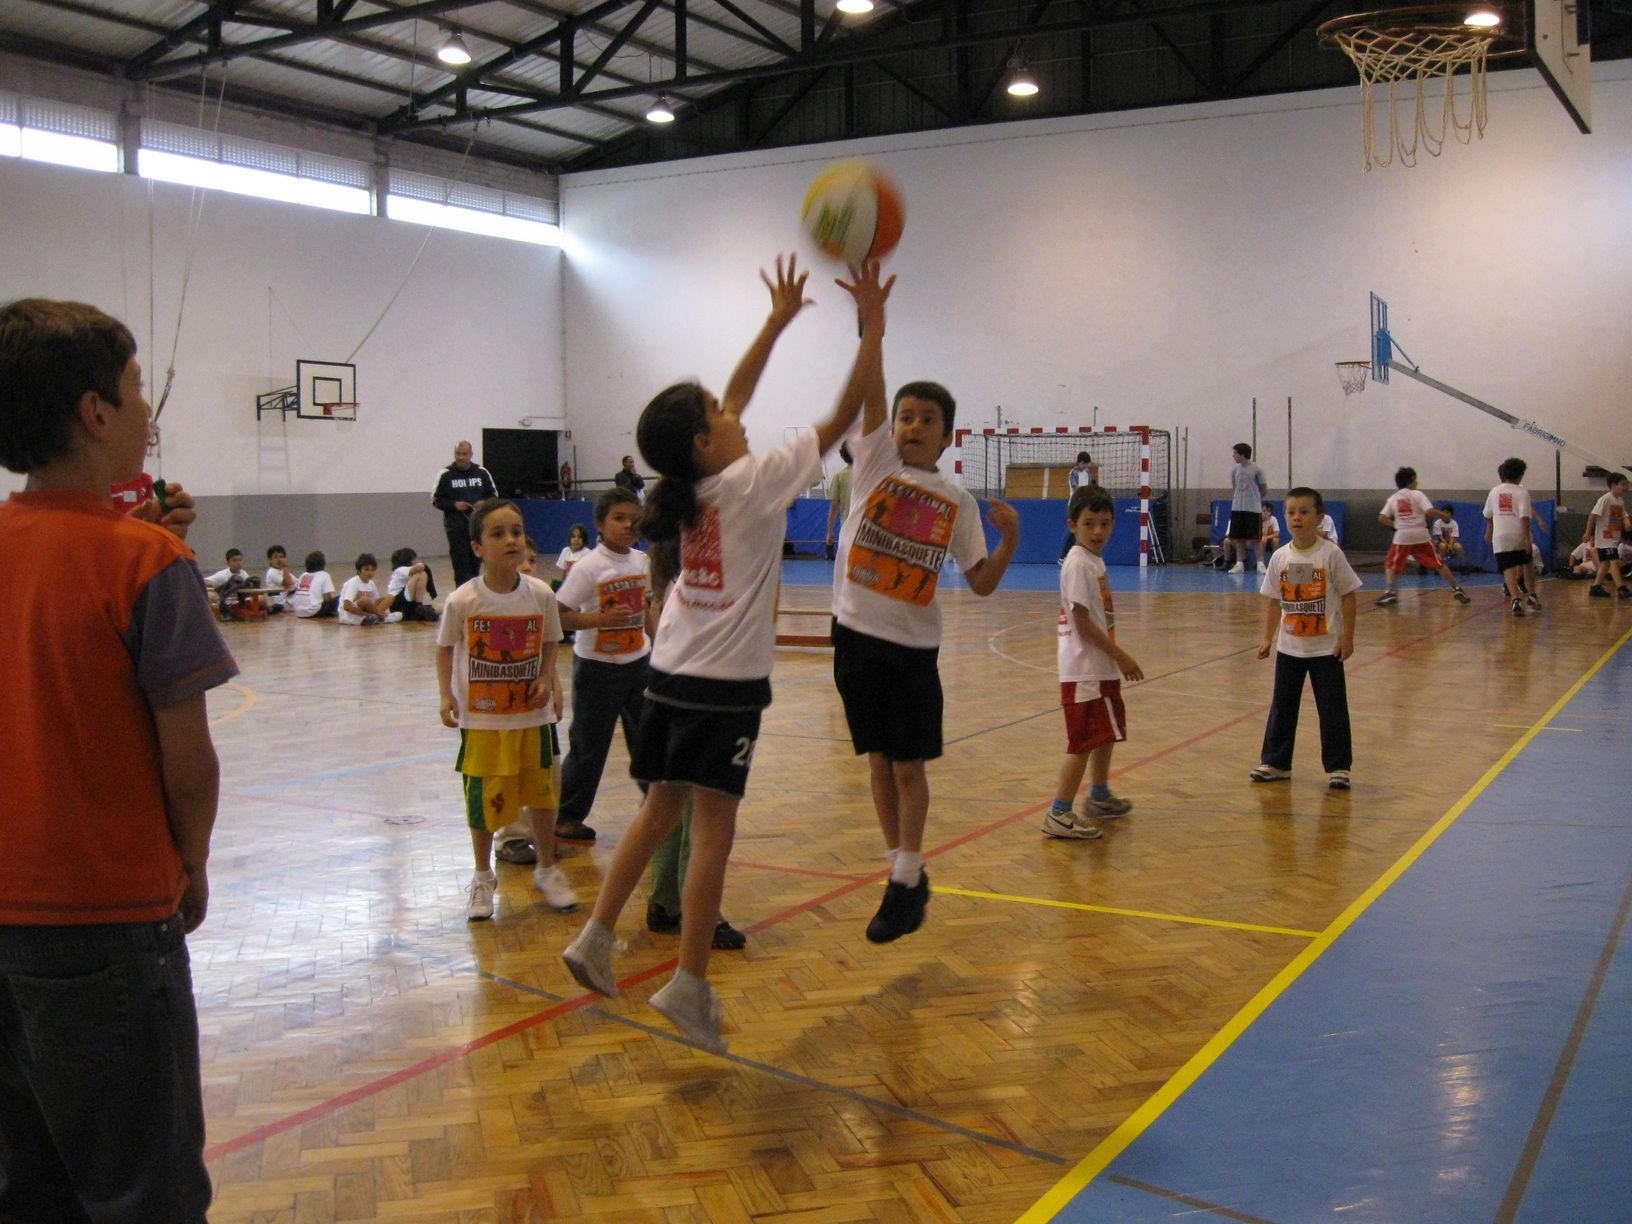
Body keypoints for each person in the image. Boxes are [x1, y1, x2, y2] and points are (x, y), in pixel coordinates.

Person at [561, 254, 891, 1054]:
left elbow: (734, 398)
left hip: (668, 670)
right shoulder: (756, 481)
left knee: (659, 809)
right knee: (713, 830)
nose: (732, 408)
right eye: (715, 410)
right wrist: (873, 326)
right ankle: (689, 983)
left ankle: (595, 938)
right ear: (705, 441)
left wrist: (775, 324)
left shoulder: (694, 484)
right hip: (724, 687)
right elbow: (846, 412)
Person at [0, 296, 237, 1221]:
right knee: (147, 1191)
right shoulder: (146, 566)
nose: (149, 409)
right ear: (95, 412)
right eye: (137, 388)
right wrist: (194, 860)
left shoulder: (136, 550)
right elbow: (189, 762)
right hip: (105, 916)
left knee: (30, 1185)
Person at [830, 331, 1020, 944]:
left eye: (927, 419)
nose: (913, 426)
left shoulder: (957, 502)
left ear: (948, 436)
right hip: (854, 639)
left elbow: (981, 583)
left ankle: (908, 872)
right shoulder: (874, 467)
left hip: (912, 651)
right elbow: (872, 391)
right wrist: (873, 330)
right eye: (905, 417)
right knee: (878, 762)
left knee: (907, 767)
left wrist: (1011, 541)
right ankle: (902, 875)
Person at [436, 498, 576, 919]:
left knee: (542, 795)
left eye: (516, 531)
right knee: (483, 800)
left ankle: (547, 869)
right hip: (483, 720)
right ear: (477, 547)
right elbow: (444, 648)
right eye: (498, 534)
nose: (511, 540)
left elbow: (550, 641)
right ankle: (483, 876)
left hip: (531, 717)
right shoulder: (463, 599)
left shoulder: (540, 594)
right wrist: (446, 694)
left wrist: (546, 677)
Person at [640, 536, 748, 950]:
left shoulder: (668, 575)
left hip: (666, 692)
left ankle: (664, 900)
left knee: (670, 804)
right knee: (702, 812)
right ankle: (697, 910)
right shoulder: (697, 579)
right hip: (697, 697)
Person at [552, 489, 653, 843]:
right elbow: (559, 615)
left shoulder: (642, 561)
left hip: (638, 663)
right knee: (589, 744)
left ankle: (657, 806)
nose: (628, 525)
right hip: (597, 668)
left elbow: (647, 609)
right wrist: (600, 619)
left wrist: (657, 648)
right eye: (619, 518)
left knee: (648, 738)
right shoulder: (589, 567)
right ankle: (566, 816)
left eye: (634, 519)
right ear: (599, 524)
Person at [1046, 484, 1144, 840]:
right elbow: (1082, 622)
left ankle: (1099, 795)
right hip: (1084, 669)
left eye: (1104, 523)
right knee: (1083, 742)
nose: (1098, 531)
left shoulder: (1093, 561)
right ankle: (1059, 812)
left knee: (1104, 734)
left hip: (1098, 667)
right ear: (1073, 525)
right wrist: (1121, 656)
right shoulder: (1077, 563)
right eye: (1089, 524)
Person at [1251, 486, 1362, 790]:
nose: (1296, 518)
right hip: (1290, 649)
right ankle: (1276, 762)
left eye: (1304, 512)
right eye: (1291, 512)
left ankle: (1339, 767)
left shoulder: (1331, 554)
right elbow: (1274, 601)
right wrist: (1267, 638)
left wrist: (1347, 638)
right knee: (1282, 706)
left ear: (1319, 517)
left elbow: (1349, 596)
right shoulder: (1280, 557)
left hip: (1326, 650)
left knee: (1332, 708)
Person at [1375, 467, 1471, 607]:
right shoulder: (1418, 495)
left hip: (1402, 536)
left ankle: (1391, 592)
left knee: (1390, 563)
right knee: (1438, 563)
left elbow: (1382, 518)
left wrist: (1396, 524)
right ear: (1411, 481)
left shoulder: (1393, 498)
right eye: (1415, 480)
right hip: (1421, 535)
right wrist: (1443, 515)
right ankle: (1456, 588)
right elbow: (1430, 511)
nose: (1417, 483)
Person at [432, 440, 497, 587]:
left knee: (476, 562)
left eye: (464, 454)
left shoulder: (482, 472)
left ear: (471, 454)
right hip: (456, 528)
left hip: (478, 527)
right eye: (458, 454)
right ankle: (461, 593)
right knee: (460, 564)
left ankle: (476, 591)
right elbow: (436, 500)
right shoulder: (446, 474)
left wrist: (484, 503)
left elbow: (493, 495)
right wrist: (454, 505)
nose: (461, 457)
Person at [1483, 459, 1538, 618]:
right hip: (1518, 534)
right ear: (1520, 475)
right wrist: (1527, 540)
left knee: (1508, 567)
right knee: (1527, 563)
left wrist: (1489, 531)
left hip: (1500, 536)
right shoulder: (1522, 492)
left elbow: (1487, 514)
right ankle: (1532, 595)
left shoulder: (1494, 491)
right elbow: (1525, 517)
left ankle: (1515, 599)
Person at [1582, 472, 1630, 599]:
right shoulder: (1605, 499)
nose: (1625, 487)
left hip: (1614, 538)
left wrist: (1626, 522)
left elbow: (1623, 514)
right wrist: (1588, 533)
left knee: (1605, 564)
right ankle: (1621, 588)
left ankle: (1596, 587)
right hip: (1605, 539)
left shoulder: (1620, 501)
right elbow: (1592, 516)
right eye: (1623, 484)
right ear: (1613, 485)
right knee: (1614, 562)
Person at [1225, 442, 1269, 574]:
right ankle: (1239, 563)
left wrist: (1254, 499)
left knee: (1256, 538)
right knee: (1239, 538)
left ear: (1242, 454)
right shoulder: (1235, 470)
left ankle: (1260, 563)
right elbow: (1235, 487)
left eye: (1235, 453)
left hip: (1253, 509)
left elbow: (1264, 489)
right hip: (1237, 508)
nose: (1233, 456)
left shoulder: (1257, 469)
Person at [338, 552, 402, 625]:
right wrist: (367, 614)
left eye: (373, 570)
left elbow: (374, 604)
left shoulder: (371, 584)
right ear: (358, 571)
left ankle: (376, 618)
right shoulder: (353, 583)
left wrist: (375, 612)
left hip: (368, 613)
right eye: (366, 570)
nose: (370, 573)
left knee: (390, 597)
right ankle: (379, 617)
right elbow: (346, 606)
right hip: (351, 616)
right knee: (365, 600)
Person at [1058, 450, 1100, 561]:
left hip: (1084, 504)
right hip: (1075, 504)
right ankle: (1064, 556)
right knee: (1076, 529)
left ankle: (1078, 554)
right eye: (1085, 464)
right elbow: (1076, 489)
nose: (1086, 466)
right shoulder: (1073, 473)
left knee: (1083, 529)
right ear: (1080, 462)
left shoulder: (1087, 473)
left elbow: (1089, 486)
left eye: (1087, 464)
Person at [384, 546, 437, 622]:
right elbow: (420, 567)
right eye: (414, 559)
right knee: (422, 574)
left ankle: (417, 609)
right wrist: (419, 563)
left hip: (408, 604)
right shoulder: (399, 570)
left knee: (440, 608)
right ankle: (419, 605)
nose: (416, 561)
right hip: (398, 602)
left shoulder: (409, 570)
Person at [825, 440, 854, 560]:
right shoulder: (870, 475)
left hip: (847, 530)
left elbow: (833, 509)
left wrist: (830, 533)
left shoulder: (839, 476)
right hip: (866, 531)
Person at [291, 550, 338, 618]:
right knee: (340, 598)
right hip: (312, 611)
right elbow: (327, 598)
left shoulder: (303, 575)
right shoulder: (324, 575)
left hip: (298, 611)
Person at [263, 544, 296, 613]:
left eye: (281, 557)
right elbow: (287, 583)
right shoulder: (272, 572)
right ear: (270, 560)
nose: (279, 560)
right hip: (281, 604)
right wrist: (285, 566)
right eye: (275, 557)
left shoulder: (282, 571)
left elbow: (297, 582)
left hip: (288, 600)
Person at [1431, 504, 1465, 571]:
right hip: (1440, 542)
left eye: (1447, 513)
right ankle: (1439, 565)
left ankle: (1463, 565)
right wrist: (1448, 546)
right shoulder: (1437, 523)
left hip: (1451, 543)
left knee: (1458, 547)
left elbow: (1453, 537)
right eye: (1443, 512)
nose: (1445, 514)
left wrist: (1450, 546)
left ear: (1451, 514)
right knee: (1442, 546)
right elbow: (1440, 537)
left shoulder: (1454, 523)